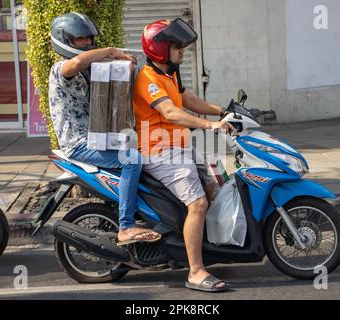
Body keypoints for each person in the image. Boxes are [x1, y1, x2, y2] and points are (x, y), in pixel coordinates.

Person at [133, 18, 235, 292]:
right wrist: (210, 125)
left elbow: (186, 99)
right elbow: (171, 112)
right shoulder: (147, 78)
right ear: (160, 50)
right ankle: (195, 271)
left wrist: (221, 112)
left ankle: (189, 243)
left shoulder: (170, 74)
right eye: (177, 47)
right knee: (199, 204)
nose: (183, 51)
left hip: (180, 145)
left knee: (217, 184)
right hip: (160, 151)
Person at [48, 12, 161, 245]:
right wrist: (111, 51)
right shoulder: (61, 69)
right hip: (78, 144)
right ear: (65, 40)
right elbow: (77, 62)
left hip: (97, 139)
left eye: (90, 38)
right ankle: (126, 226)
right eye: (82, 39)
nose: (88, 43)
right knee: (132, 160)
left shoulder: (89, 68)